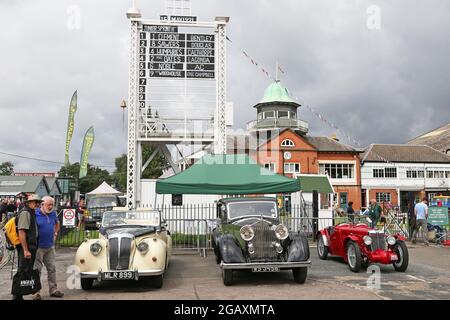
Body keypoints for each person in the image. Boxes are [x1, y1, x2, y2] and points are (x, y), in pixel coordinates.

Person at [12, 194, 42, 300]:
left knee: (26, 270)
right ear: (29, 203)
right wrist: (25, 250)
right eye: (35, 202)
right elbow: (21, 232)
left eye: (38, 202)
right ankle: (17, 296)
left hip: (30, 247)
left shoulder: (31, 212)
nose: (37, 204)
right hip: (27, 247)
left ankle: (18, 295)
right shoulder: (26, 213)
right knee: (22, 271)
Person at [32, 196, 64, 300]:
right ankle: (36, 292)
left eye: (52, 204)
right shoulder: (35, 214)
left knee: (52, 269)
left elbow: (57, 223)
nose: (50, 207)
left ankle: (53, 290)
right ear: (42, 204)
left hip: (50, 246)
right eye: (48, 204)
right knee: (37, 270)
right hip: (38, 247)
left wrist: (55, 232)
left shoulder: (53, 213)